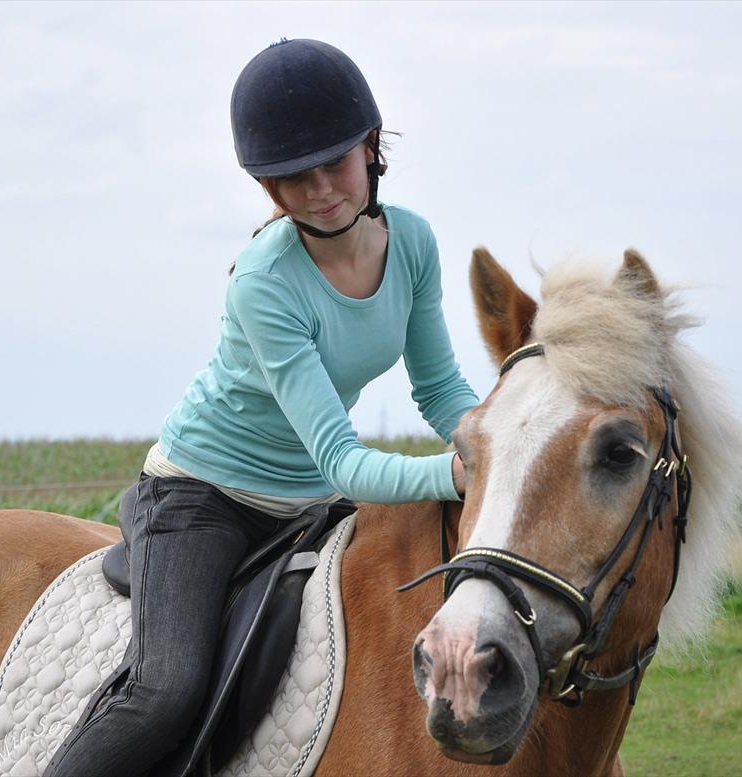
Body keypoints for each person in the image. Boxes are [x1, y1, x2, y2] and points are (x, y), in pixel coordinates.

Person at [44, 38, 478, 776]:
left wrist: (490, 442)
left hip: (310, 502)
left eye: (333, 164)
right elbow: (343, 458)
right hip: (202, 497)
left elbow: (440, 389)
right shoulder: (264, 281)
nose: (320, 190)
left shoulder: (412, 243)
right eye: (291, 178)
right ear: (266, 186)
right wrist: (455, 476)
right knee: (166, 687)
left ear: (371, 147)